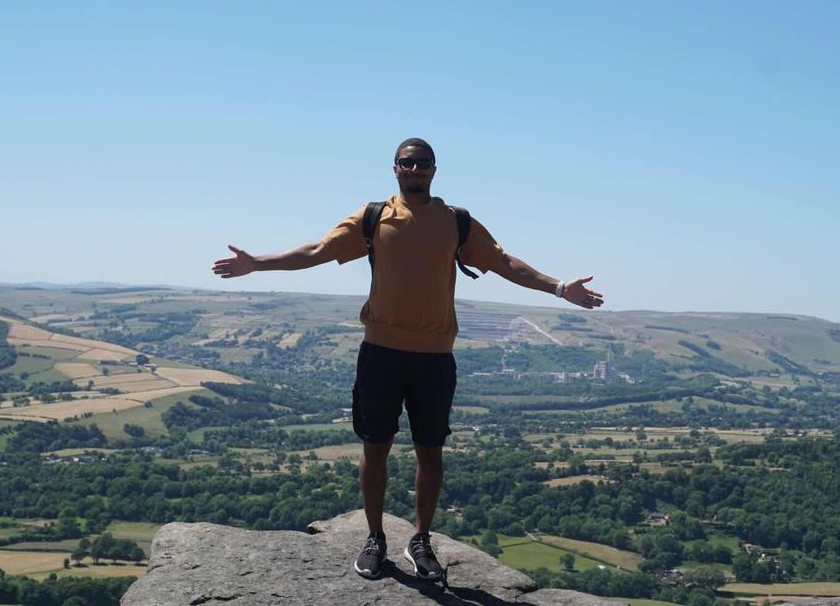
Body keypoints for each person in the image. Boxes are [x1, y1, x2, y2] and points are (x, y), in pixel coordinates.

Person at [212, 137, 603, 581]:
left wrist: (558, 288)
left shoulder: (456, 222)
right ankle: (374, 538)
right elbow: (318, 252)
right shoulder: (374, 217)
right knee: (374, 448)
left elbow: (503, 263)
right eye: (407, 163)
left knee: (430, 452)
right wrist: (257, 264)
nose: (415, 169)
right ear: (394, 168)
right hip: (380, 353)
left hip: (435, 357)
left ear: (435, 170)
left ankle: (420, 540)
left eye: (423, 163)